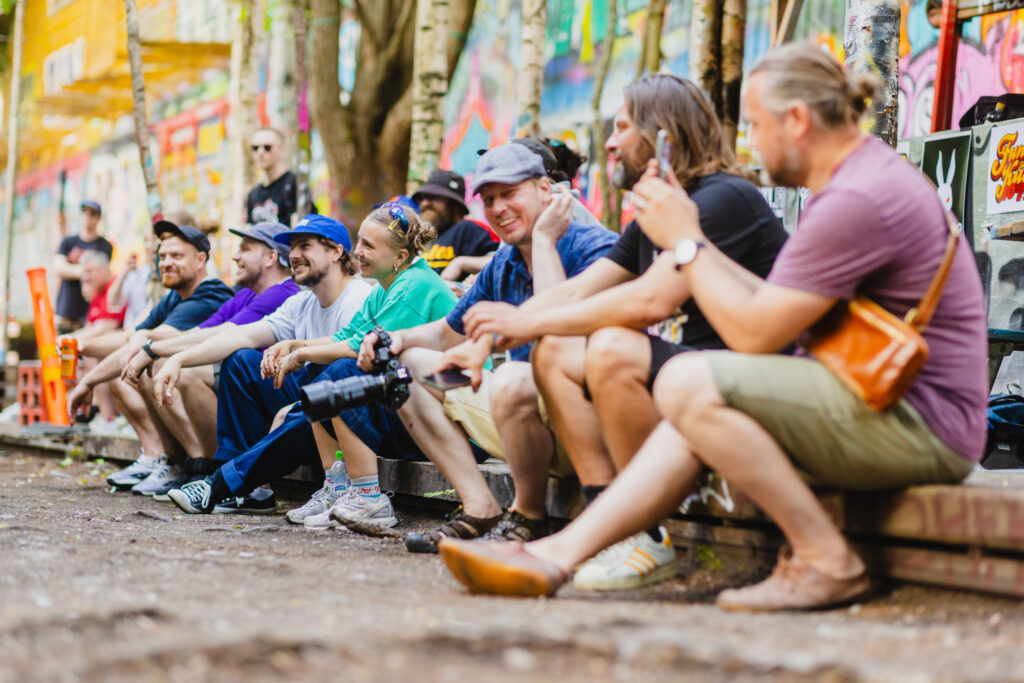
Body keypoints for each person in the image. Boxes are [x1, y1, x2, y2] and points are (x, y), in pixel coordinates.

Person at [437, 43, 988, 612]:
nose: (750, 140)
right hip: (878, 399)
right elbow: (766, 302)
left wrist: (687, 241)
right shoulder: (857, 180)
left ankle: (827, 561)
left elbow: (752, 333)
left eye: (757, 124)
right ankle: (555, 556)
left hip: (923, 424)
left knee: (688, 383)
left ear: (798, 121)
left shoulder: (855, 197)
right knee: (689, 405)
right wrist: (509, 327)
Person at [453, 74, 787, 591]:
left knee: (610, 345)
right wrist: (489, 337)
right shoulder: (658, 211)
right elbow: (579, 293)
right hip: (689, 374)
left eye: (623, 127)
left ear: (664, 133)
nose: (610, 142)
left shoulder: (722, 198)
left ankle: (645, 534)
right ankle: (612, 521)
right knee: (554, 350)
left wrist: (523, 321)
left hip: (754, 378)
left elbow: (648, 299)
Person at [329, 144, 617, 553]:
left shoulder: (593, 246)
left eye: (509, 193)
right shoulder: (504, 261)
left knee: (515, 377)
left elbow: (560, 340)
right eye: (489, 199)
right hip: (525, 422)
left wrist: (543, 242)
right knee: (408, 367)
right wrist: (399, 339)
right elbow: (450, 333)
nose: (498, 208)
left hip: (590, 427)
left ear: (545, 190)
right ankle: (480, 507)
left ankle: (528, 516)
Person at [163, 205, 453, 518]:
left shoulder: (409, 286)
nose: (358, 251)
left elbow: (358, 349)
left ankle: (362, 497)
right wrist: (296, 347)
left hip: (443, 423)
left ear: (400, 256)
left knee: (335, 376)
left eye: (368, 245)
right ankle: (331, 489)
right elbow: (347, 336)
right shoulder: (383, 288)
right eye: (359, 242)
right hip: (405, 408)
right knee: (270, 368)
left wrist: (300, 356)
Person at [136, 215, 367, 511]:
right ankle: (246, 490)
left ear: (335, 252)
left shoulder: (358, 297)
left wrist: (299, 358)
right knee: (242, 359)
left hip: (346, 412)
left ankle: (223, 484)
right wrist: (178, 359)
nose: (294, 255)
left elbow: (352, 361)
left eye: (305, 246)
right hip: (310, 404)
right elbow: (239, 335)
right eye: (292, 247)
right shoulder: (301, 302)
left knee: (322, 379)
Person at [106, 222, 302, 498]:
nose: (236, 256)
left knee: (192, 369)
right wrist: (151, 346)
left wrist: (155, 350)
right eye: (163, 256)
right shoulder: (245, 294)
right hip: (253, 390)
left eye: (245, 249)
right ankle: (192, 466)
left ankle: (210, 470)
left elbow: (225, 334)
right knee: (166, 365)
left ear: (271, 257)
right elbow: (200, 333)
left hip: (281, 396)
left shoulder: (282, 292)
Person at [68, 221, 235, 488]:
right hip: (191, 388)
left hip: (219, 395)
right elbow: (131, 337)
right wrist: (82, 352)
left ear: (200, 259)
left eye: (176, 256)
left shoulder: (211, 293)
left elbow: (152, 339)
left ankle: (198, 464)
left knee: (150, 365)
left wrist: (92, 374)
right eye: (163, 256)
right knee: (123, 371)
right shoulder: (173, 297)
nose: (166, 263)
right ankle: (159, 457)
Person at [412, 169, 499, 275]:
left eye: (433, 197)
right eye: (422, 198)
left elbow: (503, 260)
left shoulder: (467, 229)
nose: (424, 203)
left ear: (455, 205)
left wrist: (460, 263)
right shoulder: (421, 239)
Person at [53, 200, 114, 334]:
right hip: (66, 309)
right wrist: (86, 273)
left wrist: (73, 270)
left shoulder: (105, 246)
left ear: (98, 218)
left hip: (90, 311)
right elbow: (58, 267)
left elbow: (103, 275)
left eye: (92, 213)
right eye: (84, 212)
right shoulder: (68, 242)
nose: (87, 216)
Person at [247, 127, 310, 226]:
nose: (260, 152)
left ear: (282, 150)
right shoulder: (253, 194)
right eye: (255, 148)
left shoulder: (296, 184)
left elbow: (304, 228)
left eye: (267, 147)